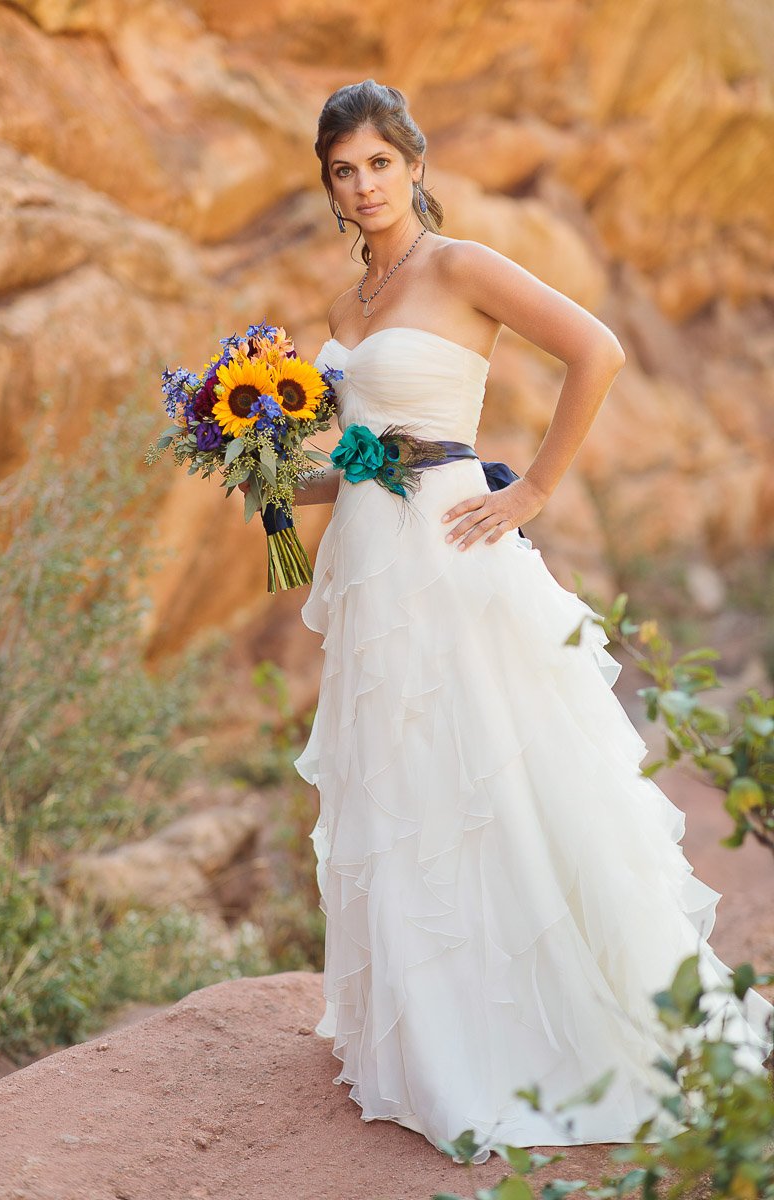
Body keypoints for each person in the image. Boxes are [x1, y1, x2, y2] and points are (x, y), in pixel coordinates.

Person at [288, 79, 773, 1162]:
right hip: (374, 556)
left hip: (455, 544)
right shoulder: (342, 307)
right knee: (403, 777)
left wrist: (535, 490)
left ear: (412, 165)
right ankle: (432, 1023)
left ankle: (552, 1029)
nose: (362, 186)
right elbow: (354, 459)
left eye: (377, 163)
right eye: (341, 170)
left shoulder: (456, 268)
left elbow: (594, 348)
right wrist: (270, 477)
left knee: (495, 772)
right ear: (326, 185)